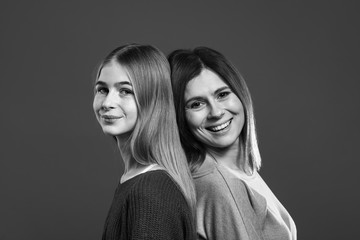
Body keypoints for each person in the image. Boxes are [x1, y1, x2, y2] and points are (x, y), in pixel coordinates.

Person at [168, 47, 297, 240]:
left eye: (222, 94)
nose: (216, 112)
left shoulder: (241, 172)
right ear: (180, 117)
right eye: (196, 104)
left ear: (240, 94)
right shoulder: (217, 184)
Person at [93, 44, 197, 240]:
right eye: (102, 90)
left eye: (125, 91)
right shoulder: (135, 180)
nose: (107, 103)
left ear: (153, 99)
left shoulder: (149, 192)